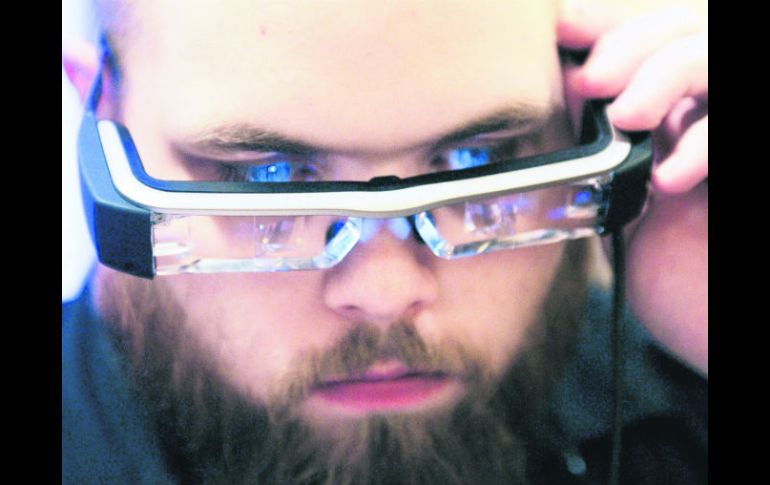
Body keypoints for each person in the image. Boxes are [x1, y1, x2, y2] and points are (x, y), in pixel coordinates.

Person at [62, 0, 707, 483]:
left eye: (477, 159)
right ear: (100, 105)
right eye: (268, 176)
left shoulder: (680, 393)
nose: (385, 293)